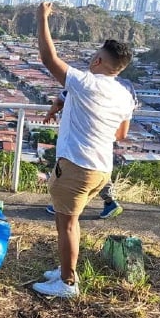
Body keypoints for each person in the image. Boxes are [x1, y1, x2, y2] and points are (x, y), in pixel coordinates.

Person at [33, 2, 135, 298]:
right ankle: (66, 270)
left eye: (96, 56)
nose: (92, 59)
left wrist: (42, 18)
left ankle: (66, 283)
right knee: (68, 220)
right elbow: (122, 133)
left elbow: (48, 57)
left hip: (78, 166)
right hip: (101, 168)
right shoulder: (124, 94)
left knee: (66, 224)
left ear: (101, 61)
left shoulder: (87, 83)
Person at [42, 84, 137, 219]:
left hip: (79, 137)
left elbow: (60, 100)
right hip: (101, 138)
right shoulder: (124, 88)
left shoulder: (81, 82)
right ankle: (109, 201)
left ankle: (63, 205)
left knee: (69, 170)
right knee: (96, 168)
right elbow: (122, 131)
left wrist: (51, 112)